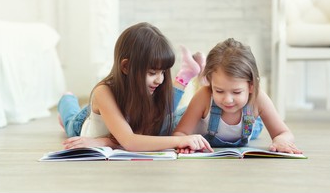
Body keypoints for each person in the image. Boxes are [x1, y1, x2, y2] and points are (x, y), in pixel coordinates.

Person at [57, 22, 213, 152]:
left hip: (119, 124)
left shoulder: (147, 91)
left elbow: (136, 136)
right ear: (126, 67)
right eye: (152, 72)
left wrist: (107, 141)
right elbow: (130, 141)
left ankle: (184, 76)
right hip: (85, 123)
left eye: (163, 72)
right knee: (70, 122)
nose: (160, 80)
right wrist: (179, 140)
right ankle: (67, 98)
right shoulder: (103, 91)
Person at [173, 38, 303, 154]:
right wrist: (184, 142)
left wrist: (281, 140)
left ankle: (205, 79)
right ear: (211, 87)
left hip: (244, 124)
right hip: (189, 116)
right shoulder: (204, 96)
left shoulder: (258, 99)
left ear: (251, 85)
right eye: (219, 91)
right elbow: (179, 133)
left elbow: (284, 133)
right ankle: (201, 79)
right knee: (165, 123)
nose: (228, 99)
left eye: (236, 92)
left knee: (256, 126)